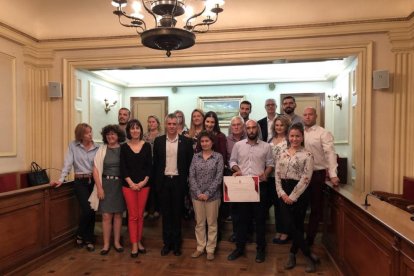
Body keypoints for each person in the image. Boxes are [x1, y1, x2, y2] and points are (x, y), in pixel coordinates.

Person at [227, 120, 274, 263]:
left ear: (257, 129)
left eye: (254, 127)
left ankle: (261, 250)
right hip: (242, 186)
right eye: (248, 128)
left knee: (259, 220)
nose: (251, 130)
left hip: (259, 186)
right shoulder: (238, 145)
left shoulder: (266, 146)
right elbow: (232, 161)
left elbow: (271, 163)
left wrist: (266, 173)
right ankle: (239, 248)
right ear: (245, 130)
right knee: (241, 220)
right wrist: (237, 170)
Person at [50, 123, 99, 252]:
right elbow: (68, 163)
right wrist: (61, 179)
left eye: (91, 132)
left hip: (93, 181)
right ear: (80, 135)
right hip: (80, 181)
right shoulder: (73, 145)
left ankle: (88, 239)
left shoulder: (97, 147)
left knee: (92, 210)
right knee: (87, 210)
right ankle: (79, 233)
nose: (90, 135)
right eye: (87, 133)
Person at [276, 123, 317, 273]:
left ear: (302, 137)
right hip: (284, 192)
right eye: (292, 136)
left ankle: (292, 254)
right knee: (289, 225)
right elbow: (277, 175)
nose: (294, 138)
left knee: (298, 225)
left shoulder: (307, 155)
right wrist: (281, 193)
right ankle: (309, 255)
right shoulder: (282, 154)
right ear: (288, 136)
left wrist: (293, 196)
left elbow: (306, 178)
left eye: (297, 136)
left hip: (300, 192)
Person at [153, 113, 193, 257]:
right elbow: (155, 164)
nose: (171, 126)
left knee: (177, 214)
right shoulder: (158, 141)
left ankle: (176, 245)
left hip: (178, 182)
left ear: (178, 125)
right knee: (166, 215)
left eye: (174, 124)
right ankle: (167, 244)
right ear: (165, 125)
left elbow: (190, 165)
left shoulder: (186, 142)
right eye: (169, 124)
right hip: (163, 182)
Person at [303, 107, 339, 246]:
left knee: (315, 208)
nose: (307, 117)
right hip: (300, 175)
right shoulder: (299, 132)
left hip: (316, 174)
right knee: (300, 207)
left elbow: (330, 154)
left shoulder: (323, 133)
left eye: (310, 114)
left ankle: (310, 239)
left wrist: (333, 174)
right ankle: (299, 237)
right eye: (305, 115)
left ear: (315, 116)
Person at [189, 131, 224, 261]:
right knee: (199, 223)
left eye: (207, 141)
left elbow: (219, 177)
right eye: (202, 141)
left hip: (213, 197)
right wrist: (198, 193)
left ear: (212, 142)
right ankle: (200, 247)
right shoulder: (195, 157)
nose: (204, 143)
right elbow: (191, 176)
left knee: (212, 223)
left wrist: (208, 193)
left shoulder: (218, 157)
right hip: (196, 196)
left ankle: (210, 249)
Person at [120, 119, 152, 258]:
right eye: (132, 128)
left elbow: (149, 167)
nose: (135, 130)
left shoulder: (147, 146)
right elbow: (123, 167)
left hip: (144, 185)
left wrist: (143, 182)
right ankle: (134, 244)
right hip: (128, 186)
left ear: (141, 130)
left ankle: (139, 241)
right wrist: (132, 183)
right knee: (132, 216)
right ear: (128, 131)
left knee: (140, 215)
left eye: (137, 128)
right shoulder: (124, 147)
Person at [93, 124, 126, 255]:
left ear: (118, 136)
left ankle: (117, 243)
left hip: (119, 185)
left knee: (118, 215)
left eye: (113, 134)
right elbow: (95, 169)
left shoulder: (123, 149)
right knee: (106, 215)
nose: (110, 136)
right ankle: (106, 244)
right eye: (108, 135)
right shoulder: (101, 149)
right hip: (105, 184)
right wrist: (99, 188)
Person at [269, 115, 290, 244]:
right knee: (277, 205)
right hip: (272, 176)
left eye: (281, 125)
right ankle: (279, 230)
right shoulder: (271, 139)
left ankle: (286, 231)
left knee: (284, 206)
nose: (279, 127)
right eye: (277, 125)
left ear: (286, 126)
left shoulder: (289, 140)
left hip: (284, 177)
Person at [225, 116, 246, 243]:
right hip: (231, 175)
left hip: (246, 176)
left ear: (243, 126)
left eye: (239, 124)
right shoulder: (226, 140)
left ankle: (247, 233)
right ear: (231, 127)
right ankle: (236, 233)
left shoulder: (249, 138)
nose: (236, 127)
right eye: (234, 125)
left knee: (247, 207)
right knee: (234, 208)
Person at [143, 115, 162, 220]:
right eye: (149, 122)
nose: (151, 124)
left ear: (157, 123)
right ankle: (146, 209)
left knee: (157, 188)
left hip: (158, 165)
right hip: (147, 164)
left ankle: (156, 210)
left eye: (153, 122)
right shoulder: (144, 136)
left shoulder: (161, 135)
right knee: (147, 187)